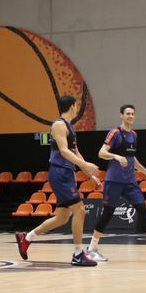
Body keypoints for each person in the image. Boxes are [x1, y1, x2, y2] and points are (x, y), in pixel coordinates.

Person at [86, 104, 146, 262]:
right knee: (107, 214)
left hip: (130, 182)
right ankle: (91, 249)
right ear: (121, 115)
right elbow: (101, 153)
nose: (130, 116)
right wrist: (116, 157)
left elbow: (132, 158)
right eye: (127, 113)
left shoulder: (134, 135)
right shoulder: (115, 133)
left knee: (143, 210)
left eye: (132, 114)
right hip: (114, 181)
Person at [16, 95, 101, 266]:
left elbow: (76, 153)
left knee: (62, 218)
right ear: (72, 106)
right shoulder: (59, 125)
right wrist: (85, 165)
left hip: (67, 173)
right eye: (76, 106)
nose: (77, 108)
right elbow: (63, 151)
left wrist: (89, 174)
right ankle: (78, 254)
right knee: (80, 210)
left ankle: (27, 238)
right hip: (60, 173)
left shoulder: (70, 127)